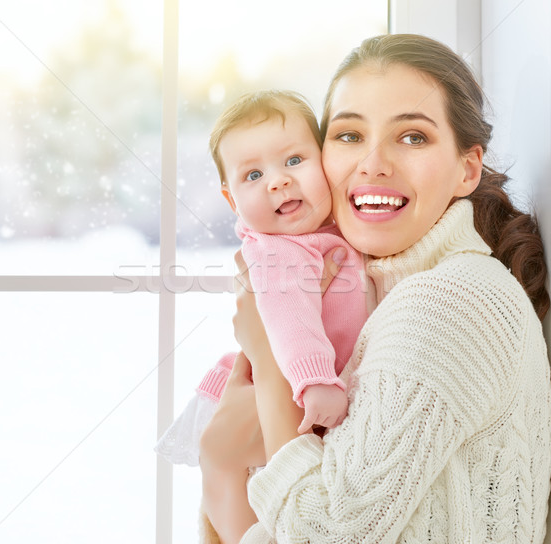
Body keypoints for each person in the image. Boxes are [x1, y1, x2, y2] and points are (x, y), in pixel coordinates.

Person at [199, 33, 551, 544]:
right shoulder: (379, 290)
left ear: (467, 168)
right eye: (348, 136)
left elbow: (326, 533)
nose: (373, 164)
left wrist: (269, 366)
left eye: (412, 137)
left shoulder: (449, 302)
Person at [155, 91, 369, 467]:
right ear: (232, 202)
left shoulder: (335, 230)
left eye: (294, 160)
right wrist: (316, 379)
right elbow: (291, 318)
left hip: (303, 395)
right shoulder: (276, 249)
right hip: (280, 393)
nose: (278, 181)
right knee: (258, 507)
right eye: (254, 175)